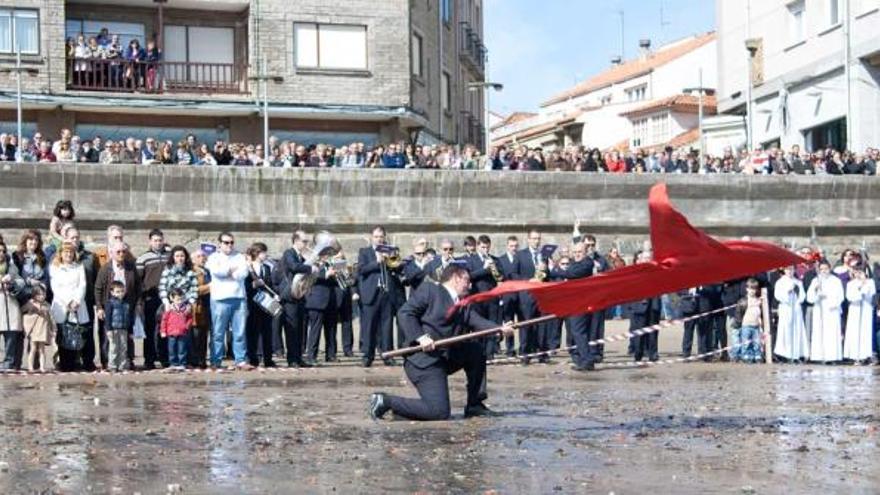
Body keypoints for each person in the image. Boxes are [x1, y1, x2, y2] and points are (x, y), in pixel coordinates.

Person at [369, 264, 515, 421]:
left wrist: (499, 329)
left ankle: (475, 405)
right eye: (467, 280)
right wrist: (420, 337)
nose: (470, 284)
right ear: (455, 278)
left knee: (475, 350)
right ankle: (386, 401)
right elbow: (405, 313)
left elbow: (475, 320)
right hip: (424, 361)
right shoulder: (430, 290)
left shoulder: (463, 302)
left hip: (446, 356)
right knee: (439, 412)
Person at [205, 232, 252, 370]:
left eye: (231, 242)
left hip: (239, 298)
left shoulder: (239, 256)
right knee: (218, 333)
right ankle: (216, 360)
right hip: (219, 299)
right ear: (219, 244)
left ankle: (240, 360)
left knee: (239, 332)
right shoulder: (213, 257)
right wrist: (231, 270)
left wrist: (230, 272)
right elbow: (217, 272)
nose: (229, 245)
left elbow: (243, 273)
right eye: (226, 242)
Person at [272, 230, 317, 368]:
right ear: (296, 241)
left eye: (307, 241)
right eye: (304, 241)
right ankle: (292, 359)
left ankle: (298, 357)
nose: (306, 244)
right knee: (291, 329)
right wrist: (310, 267)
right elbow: (294, 267)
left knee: (300, 329)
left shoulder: (300, 256)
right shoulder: (289, 253)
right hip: (289, 296)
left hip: (299, 295)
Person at [94, 242, 140, 371]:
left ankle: (127, 361)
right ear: (112, 253)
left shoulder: (131, 267)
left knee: (127, 336)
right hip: (109, 306)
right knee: (108, 337)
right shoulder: (105, 269)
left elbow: (137, 287)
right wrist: (99, 307)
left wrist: (137, 305)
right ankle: (108, 362)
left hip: (127, 305)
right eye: (118, 252)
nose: (121, 254)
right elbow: (98, 289)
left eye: (123, 252)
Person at [549, 242, 595, 370]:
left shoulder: (587, 263)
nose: (577, 255)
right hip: (575, 303)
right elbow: (569, 271)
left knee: (578, 331)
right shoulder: (576, 263)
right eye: (575, 252)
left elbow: (571, 273)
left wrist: (554, 270)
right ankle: (582, 359)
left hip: (583, 304)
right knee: (575, 332)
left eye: (579, 252)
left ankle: (587, 360)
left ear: (585, 252)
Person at [50, 241, 89, 371]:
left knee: (76, 333)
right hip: (62, 305)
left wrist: (76, 300)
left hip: (77, 305)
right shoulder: (55, 267)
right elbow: (55, 287)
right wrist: (68, 302)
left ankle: (74, 362)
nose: (68, 254)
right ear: (61, 253)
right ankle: (62, 362)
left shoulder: (79, 266)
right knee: (62, 334)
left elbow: (82, 284)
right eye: (66, 252)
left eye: (71, 252)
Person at [136, 229, 170, 369]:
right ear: (150, 241)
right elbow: (138, 280)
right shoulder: (143, 258)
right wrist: (140, 300)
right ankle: (149, 360)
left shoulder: (170, 256)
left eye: (160, 240)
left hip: (167, 298)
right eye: (155, 240)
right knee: (149, 330)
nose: (158, 243)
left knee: (165, 329)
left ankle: (164, 358)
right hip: (150, 298)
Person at [627, 250, 663, 362]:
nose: (647, 260)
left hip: (654, 304)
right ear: (640, 260)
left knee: (653, 331)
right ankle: (638, 353)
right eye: (645, 258)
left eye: (649, 258)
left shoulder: (657, 272)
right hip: (640, 305)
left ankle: (653, 353)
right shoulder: (634, 272)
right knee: (639, 331)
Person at [245, 243, 276, 367]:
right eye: (263, 252)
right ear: (257, 253)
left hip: (266, 304)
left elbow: (270, 285)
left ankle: (268, 358)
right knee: (252, 332)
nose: (266, 255)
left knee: (267, 331)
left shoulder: (267, 268)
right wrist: (253, 285)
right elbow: (244, 285)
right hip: (252, 303)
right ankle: (252, 358)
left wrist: (274, 295)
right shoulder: (248, 267)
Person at [807, 261, 844, 363]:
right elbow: (809, 298)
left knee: (831, 333)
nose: (824, 271)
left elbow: (840, 296)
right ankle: (819, 356)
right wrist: (816, 291)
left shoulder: (836, 280)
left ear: (830, 268)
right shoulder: (815, 280)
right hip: (820, 309)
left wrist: (833, 304)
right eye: (822, 269)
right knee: (819, 332)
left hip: (831, 310)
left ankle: (832, 357)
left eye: (826, 269)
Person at [773, 266, 808, 362]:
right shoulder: (780, 282)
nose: (790, 271)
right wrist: (787, 292)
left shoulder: (798, 282)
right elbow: (778, 295)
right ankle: (786, 353)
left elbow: (802, 295)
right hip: (786, 308)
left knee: (797, 329)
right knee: (786, 330)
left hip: (796, 308)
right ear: (784, 270)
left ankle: (796, 354)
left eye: (792, 269)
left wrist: (798, 297)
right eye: (788, 269)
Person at [843, 264, 875, 364]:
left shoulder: (870, 282)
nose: (858, 275)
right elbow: (850, 297)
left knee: (865, 332)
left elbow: (871, 295)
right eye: (856, 272)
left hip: (866, 309)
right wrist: (860, 288)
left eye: (860, 272)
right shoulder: (850, 284)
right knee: (855, 332)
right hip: (855, 309)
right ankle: (856, 356)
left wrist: (865, 285)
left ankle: (866, 355)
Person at [0, 241, 25, 371]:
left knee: (11, 336)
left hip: (10, 306)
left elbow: (21, 282)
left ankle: (9, 362)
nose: (1, 254)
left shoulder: (12, 268)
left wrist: (13, 283)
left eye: (3, 251)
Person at [496, 236, 521, 357]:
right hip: (507, 296)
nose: (514, 248)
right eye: (511, 246)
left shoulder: (521, 258)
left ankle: (523, 347)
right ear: (507, 246)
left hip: (521, 295)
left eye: (516, 246)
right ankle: (510, 348)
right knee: (509, 322)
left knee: (522, 322)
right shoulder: (500, 260)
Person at [21, 286, 55, 373]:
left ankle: (42, 367)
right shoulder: (31, 303)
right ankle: (30, 367)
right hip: (34, 330)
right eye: (39, 294)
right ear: (34, 295)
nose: (42, 296)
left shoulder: (47, 305)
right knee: (33, 349)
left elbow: (51, 318)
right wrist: (32, 310)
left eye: (43, 294)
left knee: (42, 349)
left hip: (43, 330)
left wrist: (53, 329)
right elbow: (22, 310)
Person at [731, 278, 764, 363]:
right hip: (746, 325)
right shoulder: (743, 301)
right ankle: (745, 356)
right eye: (750, 289)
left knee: (757, 343)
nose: (752, 291)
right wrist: (738, 325)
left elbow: (760, 313)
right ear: (747, 289)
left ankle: (757, 356)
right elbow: (738, 314)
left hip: (756, 326)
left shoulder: (758, 300)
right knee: (746, 343)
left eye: (754, 289)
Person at [103, 281, 133, 372]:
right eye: (118, 291)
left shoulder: (126, 303)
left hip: (124, 329)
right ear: (112, 292)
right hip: (113, 329)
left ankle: (122, 365)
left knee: (123, 347)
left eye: (122, 291)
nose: (120, 293)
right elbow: (107, 317)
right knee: (113, 347)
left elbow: (129, 317)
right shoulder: (110, 303)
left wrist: (131, 330)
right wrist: (108, 329)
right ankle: (112, 365)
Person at [160, 288, 192, 371]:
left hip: (182, 333)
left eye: (181, 299)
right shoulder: (169, 309)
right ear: (172, 298)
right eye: (178, 299)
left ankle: (182, 363)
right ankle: (173, 363)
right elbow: (164, 320)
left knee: (182, 349)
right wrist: (163, 331)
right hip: (171, 333)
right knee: (172, 350)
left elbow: (190, 318)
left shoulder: (186, 309)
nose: (180, 301)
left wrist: (186, 326)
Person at [189, 249, 212, 368]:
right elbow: (194, 289)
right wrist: (209, 287)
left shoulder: (208, 271)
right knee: (195, 334)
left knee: (204, 334)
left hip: (207, 305)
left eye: (203, 256)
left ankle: (202, 359)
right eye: (198, 256)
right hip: (196, 307)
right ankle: (195, 360)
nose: (202, 258)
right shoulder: (191, 272)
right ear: (192, 259)